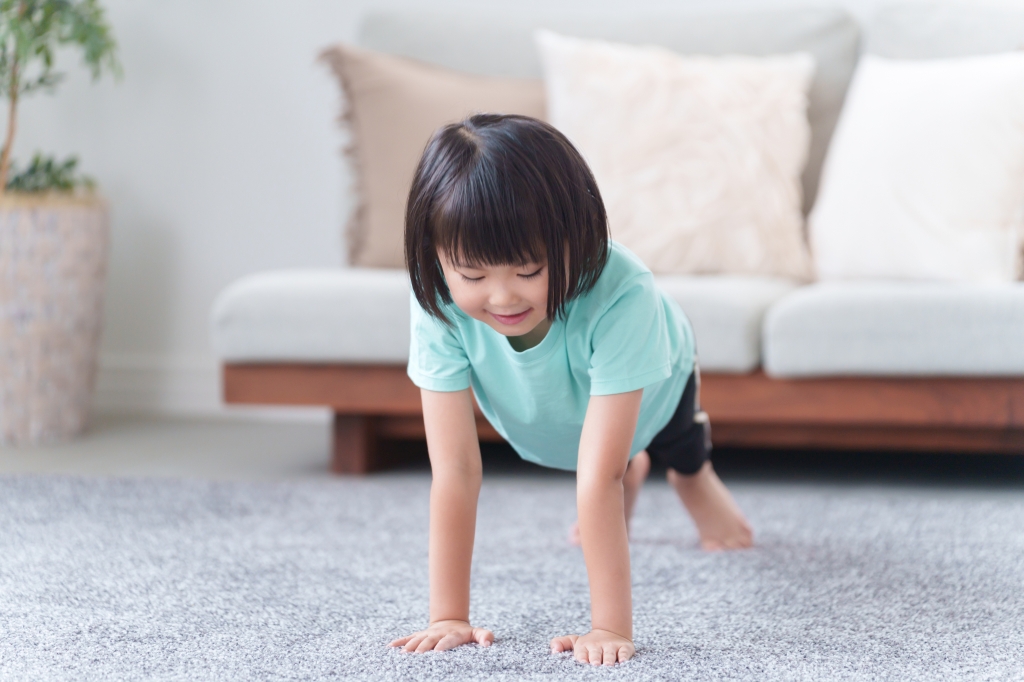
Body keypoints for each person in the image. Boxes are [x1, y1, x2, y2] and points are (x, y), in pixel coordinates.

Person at [389, 114, 753, 666]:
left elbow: (595, 473)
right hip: (547, 415)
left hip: (653, 390)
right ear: (438, 260)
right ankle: (632, 466)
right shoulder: (436, 299)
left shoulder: (625, 294)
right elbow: (455, 470)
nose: (503, 296)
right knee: (608, 467)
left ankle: (690, 475)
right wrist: (448, 616)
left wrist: (608, 627)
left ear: (576, 239)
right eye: (473, 275)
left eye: (529, 270)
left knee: (670, 442)